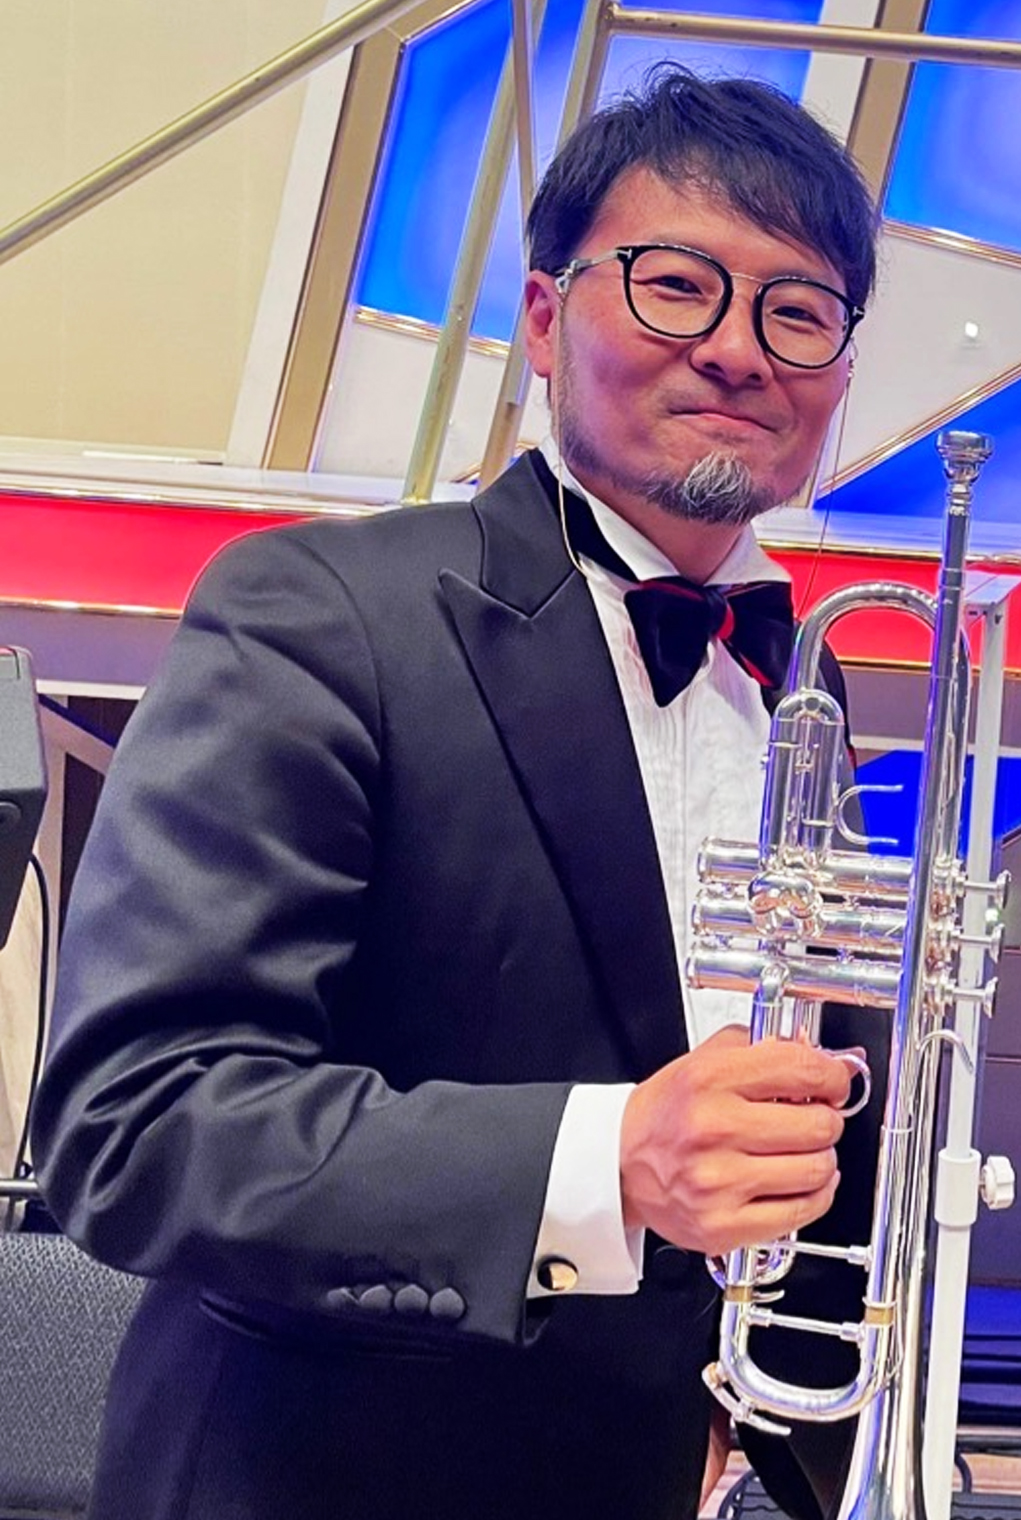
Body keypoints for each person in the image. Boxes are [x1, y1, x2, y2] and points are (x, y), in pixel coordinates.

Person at [31, 69, 886, 1520]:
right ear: (545, 319)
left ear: (841, 374)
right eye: (677, 286)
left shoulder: (805, 680)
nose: (739, 350)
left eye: (797, 313)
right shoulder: (318, 613)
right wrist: (609, 1160)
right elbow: (138, 1122)